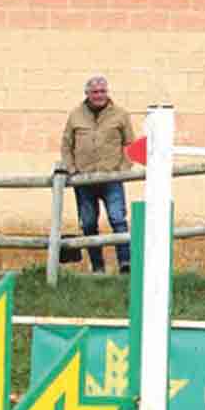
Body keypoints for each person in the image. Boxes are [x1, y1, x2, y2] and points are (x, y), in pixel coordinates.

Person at [58, 75, 136, 274]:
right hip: (84, 179)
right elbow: (67, 145)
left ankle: (125, 264)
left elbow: (130, 144)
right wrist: (72, 170)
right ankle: (98, 266)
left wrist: (123, 170)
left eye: (102, 91)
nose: (99, 96)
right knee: (89, 223)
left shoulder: (120, 115)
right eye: (95, 92)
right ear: (87, 94)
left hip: (111, 178)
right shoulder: (75, 115)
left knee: (118, 220)